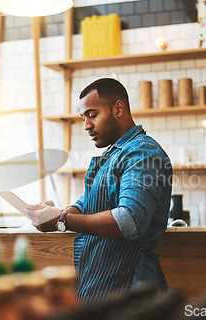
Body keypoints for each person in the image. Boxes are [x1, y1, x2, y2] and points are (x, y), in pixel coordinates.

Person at [25, 78, 172, 305]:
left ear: (118, 108)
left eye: (93, 115)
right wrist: (57, 213)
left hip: (132, 289)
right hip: (104, 287)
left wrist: (62, 220)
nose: (86, 125)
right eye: (83, 117)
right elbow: (87, 204)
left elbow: (130, 220)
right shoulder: (115, 155)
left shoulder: (142, 153)